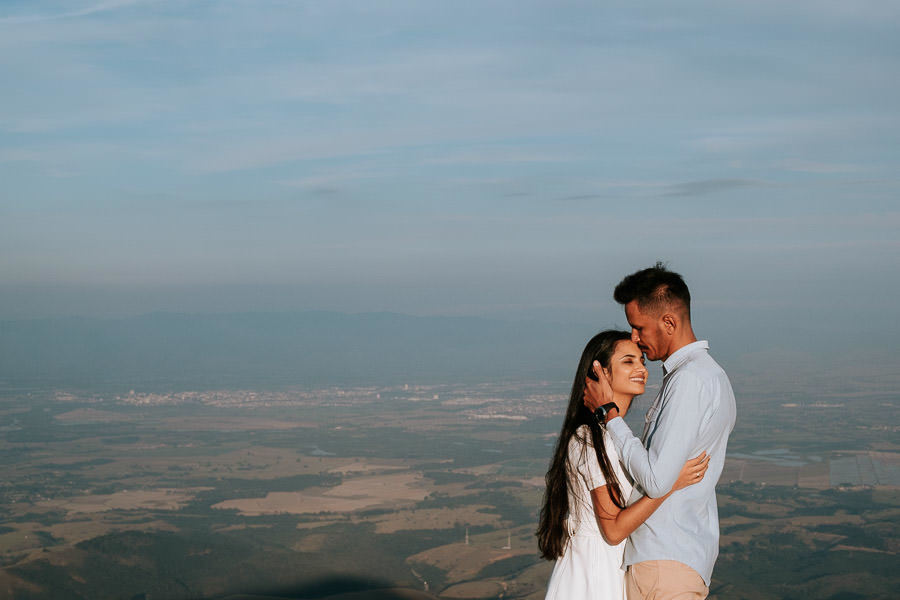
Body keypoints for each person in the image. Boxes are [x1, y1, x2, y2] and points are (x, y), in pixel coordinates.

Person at [584, 263, 736, 600]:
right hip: (678, 558)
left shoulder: (689, 381)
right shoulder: (711, 377)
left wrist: (610, 415)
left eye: (638, 328)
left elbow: (655, 479)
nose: (635, 340)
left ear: (669, 322)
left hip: (663, 563)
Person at [538, 330, 710, 600]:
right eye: (628, 361)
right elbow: (614, 529)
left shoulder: (613, 437)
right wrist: (670, 483)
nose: (642, 368)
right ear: (600, 373)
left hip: (612, 567)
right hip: (594, 573)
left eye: (641, 360)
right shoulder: (588, 439)